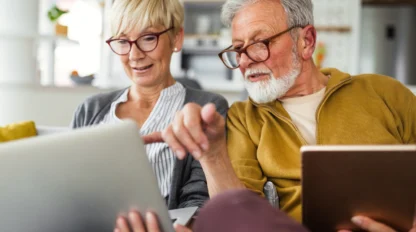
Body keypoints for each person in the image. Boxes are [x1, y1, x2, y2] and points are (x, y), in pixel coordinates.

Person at [123, 0, 415, 231]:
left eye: (260, 43)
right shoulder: (243, 119)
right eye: (238, 49)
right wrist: (211, 154)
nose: (246, 61)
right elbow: (238, 216)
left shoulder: (384, 93)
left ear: (306, 41)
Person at [70, 0, 228, 214]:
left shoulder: (206, 109)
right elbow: (70, 190)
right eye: (123, 41)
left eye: (148, 38)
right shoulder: (89, 110)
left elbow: (198, 205)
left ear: (177, 38)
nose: (134, 55)